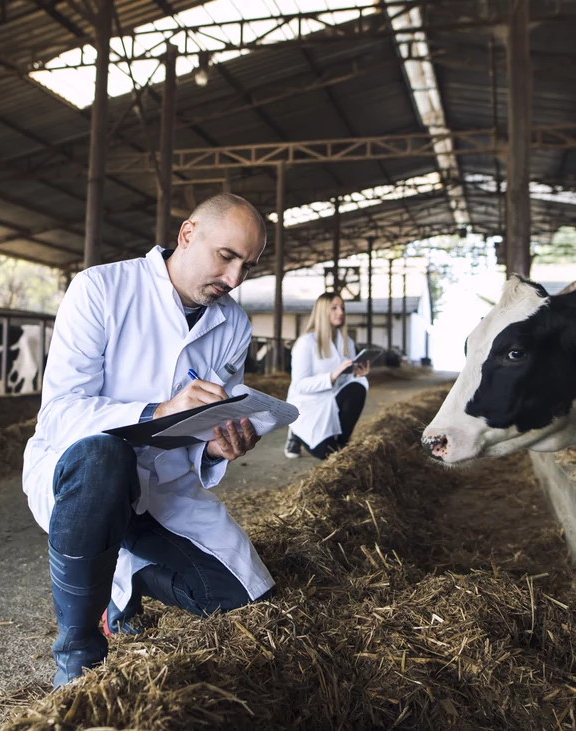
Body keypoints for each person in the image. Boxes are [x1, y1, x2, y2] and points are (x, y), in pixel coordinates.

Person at [22, 193, 275, 689]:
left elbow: (204, 426)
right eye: (226, 257)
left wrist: (215, 446)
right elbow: (57, 414)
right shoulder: (101, 289)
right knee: (104, 455)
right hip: (83, 482)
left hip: (163, 489)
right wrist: (156, 411)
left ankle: (125, 576)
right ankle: (78, 653)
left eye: (247, 265)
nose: (234, 280)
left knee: (241, 597)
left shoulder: (234, 324)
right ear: (187, 234)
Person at [283, 292, 370, 460]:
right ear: (322, 311)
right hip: (309, 405)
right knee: (325, 454)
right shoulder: (306, 343)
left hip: (332, 400)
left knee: (358, 387)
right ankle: (295, 431)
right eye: (334, 308)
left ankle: (343, 442)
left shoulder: (347, 343)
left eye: (342, 308)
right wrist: (331, 376)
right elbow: (300, 385)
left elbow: (346, 381)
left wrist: (357, 375)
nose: (341, 312)